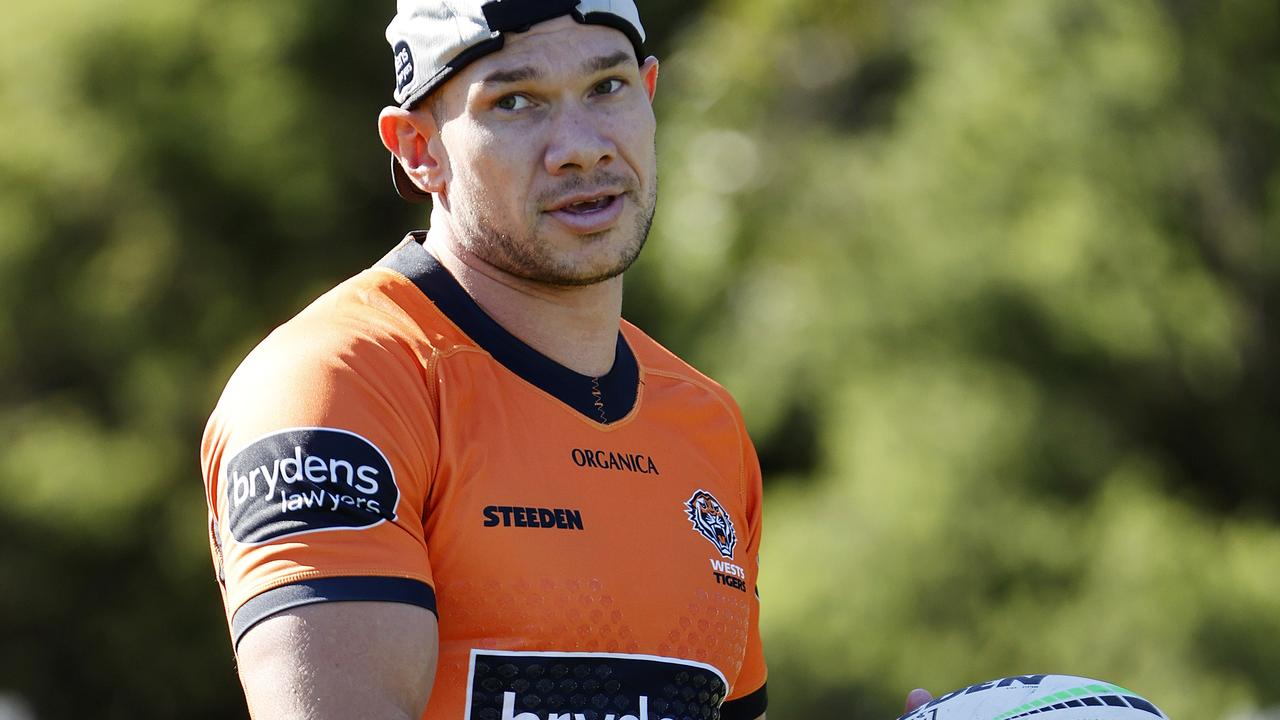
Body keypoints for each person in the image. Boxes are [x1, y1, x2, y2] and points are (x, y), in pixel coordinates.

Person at [199, 2, 771, 718]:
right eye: (516, 101)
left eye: (607, 88)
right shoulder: (336, 387)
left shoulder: (707, 420)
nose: (582, 147)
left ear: (650, 98)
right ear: (417, 147)